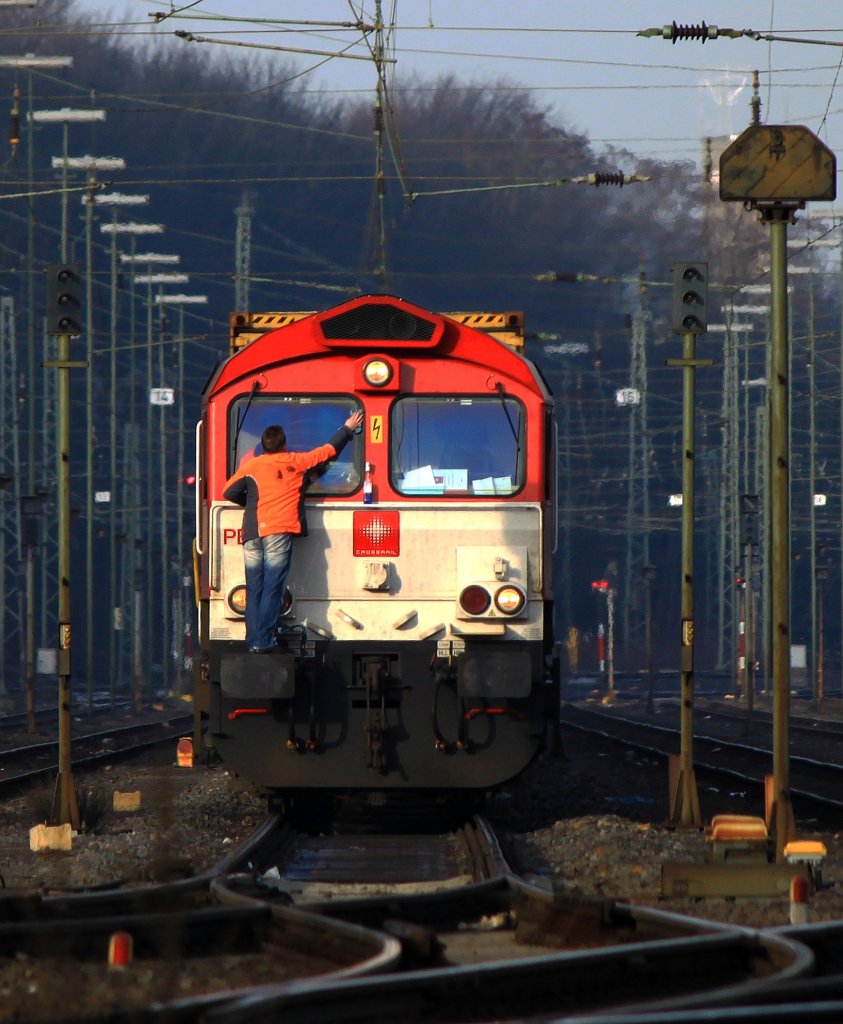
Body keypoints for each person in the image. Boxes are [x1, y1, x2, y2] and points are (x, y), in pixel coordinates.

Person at [223, 410, 364, 652]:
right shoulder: (296, 461)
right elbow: (328, 451)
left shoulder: (252, 466)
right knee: (272, 588)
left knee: (254, 589)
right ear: (284, 445)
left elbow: (229, 491)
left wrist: (252, 504)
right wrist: (348, 428)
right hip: (279, 531)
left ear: (263, 446)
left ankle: (254, 641)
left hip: (252, 533)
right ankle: (264, 641)